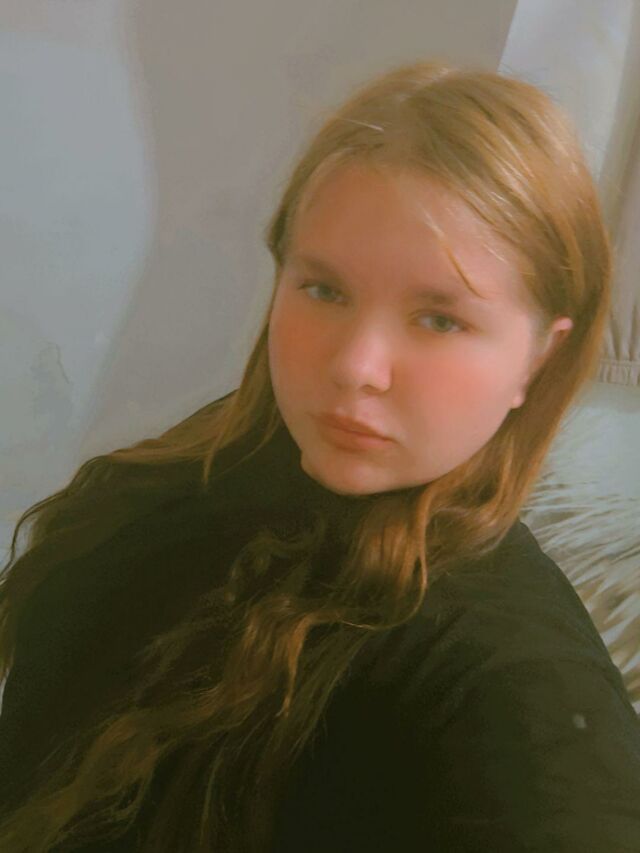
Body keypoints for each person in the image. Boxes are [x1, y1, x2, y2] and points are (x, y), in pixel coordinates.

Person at [0, 58, 639, 852]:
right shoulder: (196, 468)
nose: (354, 366)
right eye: (324, 290)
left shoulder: (506, 668)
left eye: (440, 319)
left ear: (540, 356)